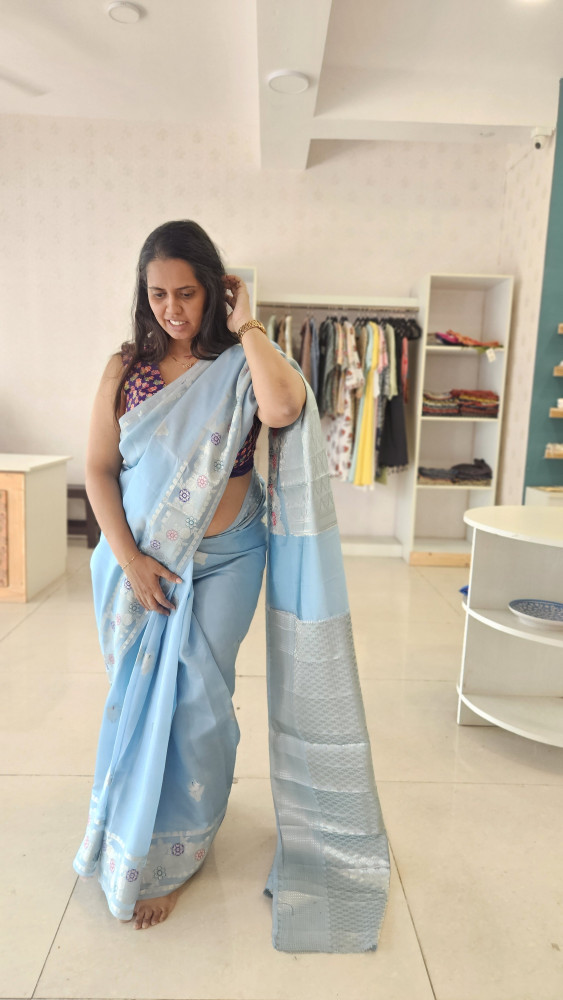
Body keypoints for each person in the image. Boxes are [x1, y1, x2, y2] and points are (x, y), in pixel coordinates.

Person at [75, 220, 390, 952]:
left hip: (229, 556)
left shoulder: (243, 361)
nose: (172, 309)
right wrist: (130, 560)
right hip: (142, 565)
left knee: (200, 700)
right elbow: (98, 469)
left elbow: (283, 410)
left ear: (215, 289)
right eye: (158, 294)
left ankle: (183, 848)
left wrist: (248, 324)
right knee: (141, 702)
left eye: (187, 293)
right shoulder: (126, 368)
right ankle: (132, 828)